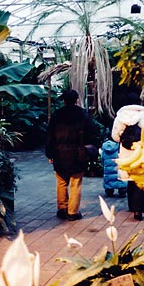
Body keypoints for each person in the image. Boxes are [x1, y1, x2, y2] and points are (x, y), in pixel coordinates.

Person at [45, 89, 99, 221]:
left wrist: (50, 154)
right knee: (75, 183)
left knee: (61, 181)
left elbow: (49, 136)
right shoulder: (83, 115)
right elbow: (93, 132)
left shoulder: (57, 114)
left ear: (63, 100)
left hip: (59, 153)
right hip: (78, 154)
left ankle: (62, 208)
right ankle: (73, 212)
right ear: (76, 100)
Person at [112, 104, 144, 220]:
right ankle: (138, 210)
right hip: (140, 151)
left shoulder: (121, 116)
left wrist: (123, 142)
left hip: (126, 152)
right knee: (139, 180)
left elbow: (114, 136)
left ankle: (132, 205)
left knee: (129, 178)